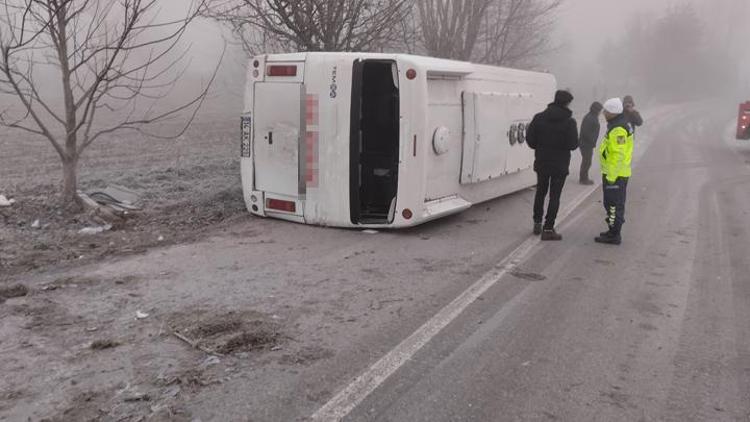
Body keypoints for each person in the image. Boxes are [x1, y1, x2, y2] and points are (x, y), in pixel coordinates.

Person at [526, 90, 579, 241]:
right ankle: (548, 229)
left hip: (542, 161)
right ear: (567, 103)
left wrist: (541, 147)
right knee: (554, 196)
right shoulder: (570, 122)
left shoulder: (539, 117)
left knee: (540, 192)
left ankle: (537, 222)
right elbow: (573, 144)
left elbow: (530, 140)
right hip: (560, 165)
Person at [595, 97, 634, 245]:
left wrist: (611, 176)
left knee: (613, 205)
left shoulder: (618, 129)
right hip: (615, 173)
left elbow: (618, 154)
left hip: (616, 175)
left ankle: (614, 234)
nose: (604, 113)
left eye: (606, 111)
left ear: (612, 112)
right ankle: (612, 230)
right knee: (612, 204)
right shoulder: (617, 123)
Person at [578, 101, 603, 185]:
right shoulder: (590, 118)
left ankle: (583, 177)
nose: (600, 112)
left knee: (587, 161)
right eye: (600, 110)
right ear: (596, 110)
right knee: (587, 161)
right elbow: (586, 132)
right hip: (586, 144)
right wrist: (592, 141)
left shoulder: (592, 116)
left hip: (587, 143)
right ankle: (583, 179)